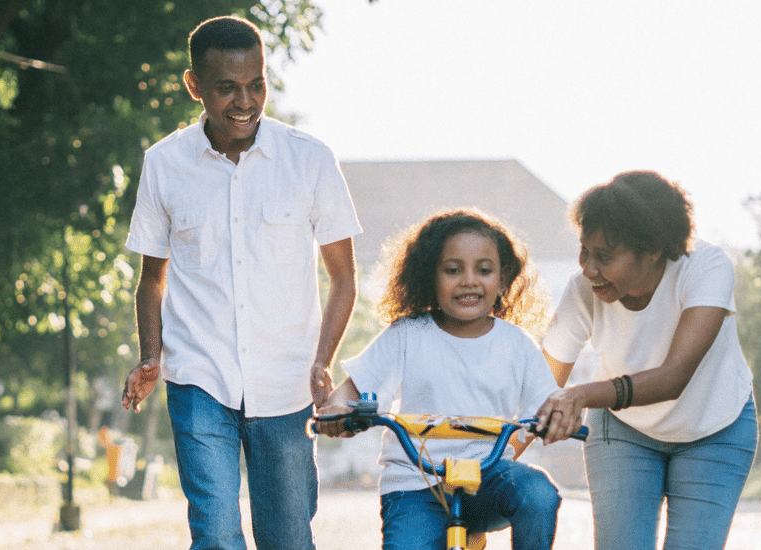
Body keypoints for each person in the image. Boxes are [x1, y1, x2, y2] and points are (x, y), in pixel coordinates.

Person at [118, 14, 361, 550]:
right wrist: (151, 356)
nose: (245, 102)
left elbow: (344, 278)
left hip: (286, 383)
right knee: (216, 534)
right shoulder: (164, 164)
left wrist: (322, 361)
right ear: (194, 86)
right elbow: (151, 280)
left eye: (257, 85)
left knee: (289, 539)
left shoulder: (309, 159)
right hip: (200, 377)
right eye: (226, 88)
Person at [533, 170, 758, 549]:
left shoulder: (706, 268)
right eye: (584, 251)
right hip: (622, 430)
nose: (588, 268)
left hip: (714, 429)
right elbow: (539, 388)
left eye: (604, 256)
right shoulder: (582, 291)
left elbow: (673, 378)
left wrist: (580, 395)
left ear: (652, 249)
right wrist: (487, 463)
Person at [315, 208, 564, 550]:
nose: (469, 281)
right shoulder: (407, 334)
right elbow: (351, 391)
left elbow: (548, 406)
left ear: (503, 278)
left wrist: (556, 419)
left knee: (538, 492)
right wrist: (337, 410)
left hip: (488, 479)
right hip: (416, 483)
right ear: (428, 276)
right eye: (452, 270)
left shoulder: (517, 344)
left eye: (484, 270)